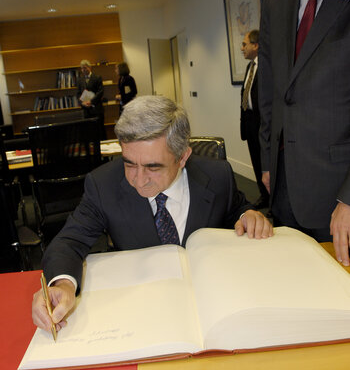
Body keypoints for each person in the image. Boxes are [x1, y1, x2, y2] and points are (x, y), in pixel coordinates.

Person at [32, 95, 273, 333]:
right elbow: (69, 241)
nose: (138, 179)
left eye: (153, 167)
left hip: (215, 305)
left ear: (182, 157)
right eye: (129, 164)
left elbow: (235, 208)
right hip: (142, 312)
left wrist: (248, 215)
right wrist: (63, 283)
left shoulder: (218, 175)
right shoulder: (103, 184)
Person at [258, 0, 350, 264]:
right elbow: (270, 92)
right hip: (284, 189)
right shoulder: (276, 2)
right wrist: (266, 161)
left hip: (339, 197)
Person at [240, 30, 269, 210]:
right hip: (249, 121)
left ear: (255, 45)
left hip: (262, 123)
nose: (242, 48)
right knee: (256, 162)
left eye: (245, 44)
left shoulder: (266, 67)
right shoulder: (249, 67)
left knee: (266, 163)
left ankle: (273, 199)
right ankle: (264, 196)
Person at [77, 59, 105, 139]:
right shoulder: (80, 80)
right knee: (88, 131)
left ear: (90, 67)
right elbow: (78, 93)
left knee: (99, 130)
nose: (83, 70)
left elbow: (100, 92)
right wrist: (81, 102)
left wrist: (91, 101)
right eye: (82, 68)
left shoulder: (97, 78)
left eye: (85, 68)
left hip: (96, 108)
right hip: (86, 110)